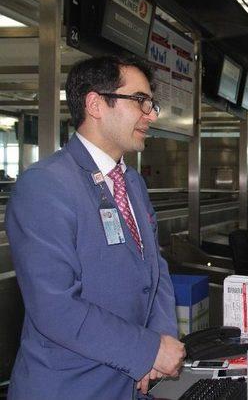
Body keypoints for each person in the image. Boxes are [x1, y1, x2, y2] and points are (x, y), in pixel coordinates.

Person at [6, 56, 185, 399]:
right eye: (140, 101)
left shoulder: (132, 182)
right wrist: (145, 350)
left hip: (132, 382)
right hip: (70, 387)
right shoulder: (45, 185)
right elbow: (55, 308)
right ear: (95, 104)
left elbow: (155, 270)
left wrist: (160, 345)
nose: (151, 114)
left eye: (151, 103)